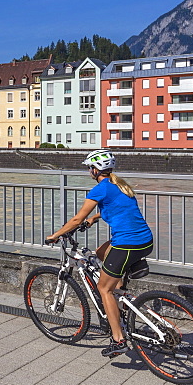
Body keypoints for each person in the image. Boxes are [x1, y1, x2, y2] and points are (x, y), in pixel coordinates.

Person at [46, 149, 153, 359]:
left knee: (103, 288)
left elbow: (76, 220)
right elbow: (117, 208)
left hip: (127, 245)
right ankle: (120, 297)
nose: (89, 171)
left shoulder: (100, 189)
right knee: (101, 253)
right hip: (144, 241)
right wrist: (95, 219)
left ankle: (118, 340)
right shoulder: (120, 185)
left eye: (89, 168)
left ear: (95, 170)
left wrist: (56, 235)